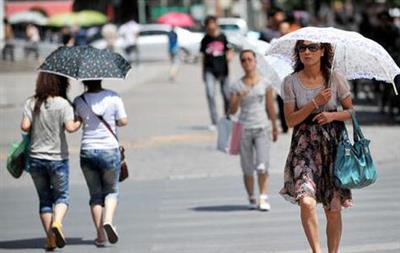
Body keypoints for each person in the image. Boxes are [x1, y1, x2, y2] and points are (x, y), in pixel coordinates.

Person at [279, 40, 354, 253]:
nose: (307, 52)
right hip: (304, 147)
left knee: (333, 209)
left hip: (333, 146)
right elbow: (290, 120)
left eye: (312, 47)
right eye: (302, 48)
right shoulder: (290, 82)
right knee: (307, 202)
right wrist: (314, 102)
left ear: (322, 51)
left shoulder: (335, 78)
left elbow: (352, 112)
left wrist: (332, 115)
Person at [20, 72, 81, 251]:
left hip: (36, 158)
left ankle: (51, 239)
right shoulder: (63, 104)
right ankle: (58, 223)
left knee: (45, 200)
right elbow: (70, 128)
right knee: (61, 197)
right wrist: (79, 121)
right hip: (57, 158)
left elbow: (24, 126)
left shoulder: (31, 102)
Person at [73, 80, 128, 247]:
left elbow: (75, 123)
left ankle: (100, 235)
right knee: (111, 191)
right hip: (109, 150)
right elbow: (123, 121)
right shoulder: (113, 96)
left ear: (84, 81)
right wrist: (114, 121)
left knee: (95, 196)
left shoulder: (79, 100)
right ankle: (108, 221)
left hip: (88, 150)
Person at [230, 50, 278, 211]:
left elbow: (270, 106)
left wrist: (275, 126)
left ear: (255, 61)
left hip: (262, 127)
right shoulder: (237, 85)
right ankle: (251, 196)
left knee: (263, 165)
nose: (247, 62)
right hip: (243, 129)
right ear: (241, 63)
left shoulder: (265, 83)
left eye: (250, 59)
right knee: (247, 166)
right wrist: (237, 97)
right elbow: (231, 111)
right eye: (243, 60)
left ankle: (263, 196)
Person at [200, 15, 233, 131]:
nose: (210, 27)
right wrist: (203, 72)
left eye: (212, 24)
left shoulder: (223, 37)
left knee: (227, 96)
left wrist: (229, 56)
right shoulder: (205, 39)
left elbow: (230, 50)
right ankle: (214, 121)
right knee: (210, 94)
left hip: (223, 70)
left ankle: (227, 118)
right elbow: (203, 57)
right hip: (210, 70)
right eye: (208, 25)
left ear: (216, 24)